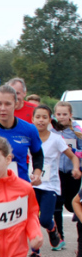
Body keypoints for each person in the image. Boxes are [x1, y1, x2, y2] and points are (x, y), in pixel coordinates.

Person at [25, 104, 79, 257]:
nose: (41, 120)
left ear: (50, 120)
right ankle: (35, 254)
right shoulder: (29, 137)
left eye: (44, 117)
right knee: (32, 219)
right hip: (32, 184)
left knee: (44, 219)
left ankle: (52, 228)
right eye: (38, 117)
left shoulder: (56, 139)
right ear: (32, 119)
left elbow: (73, 156)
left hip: (50, 186)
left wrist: (76, 168)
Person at [0, 85, 43, 184]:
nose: (3, 108)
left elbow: (38, 154)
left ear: (16, 104)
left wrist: (37, 173)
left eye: (7, 104)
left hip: (19, 188)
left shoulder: (29, 129)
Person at [51, 102, 82, 242]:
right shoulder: (52, 130)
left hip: (73, 172)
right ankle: (60, 237)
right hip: (57, 172)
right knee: (57, 203)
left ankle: (79, 237)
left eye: (64, 114)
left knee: (71, 205)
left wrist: (73, 152)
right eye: (59, 114)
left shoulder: (76, 130)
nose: (61, 117)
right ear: (54, 115)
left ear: (70, 115)